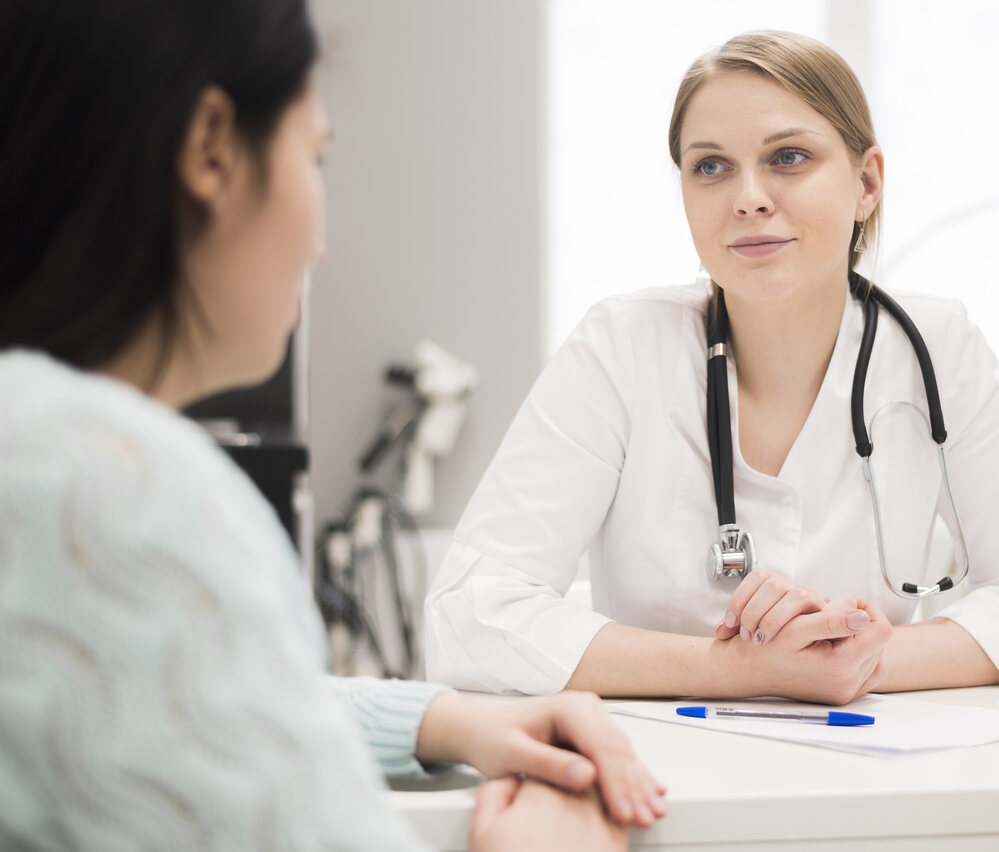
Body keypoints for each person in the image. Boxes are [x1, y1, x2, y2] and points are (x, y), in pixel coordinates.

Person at [0, 1, 664, 849]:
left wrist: (444, 721)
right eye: (314, 158)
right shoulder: (120, 492)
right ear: (211, 147)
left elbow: (189, 692)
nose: (319, 239)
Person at [424, 30, 999, 701]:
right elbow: (470, 615)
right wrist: (744, 670)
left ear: (867, 183)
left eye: (788, 157)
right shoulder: (622, 346)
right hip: (660, 779)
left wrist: (865, 660)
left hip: (876, 772)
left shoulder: (937, 349)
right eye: (711, 166)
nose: (748, 197)